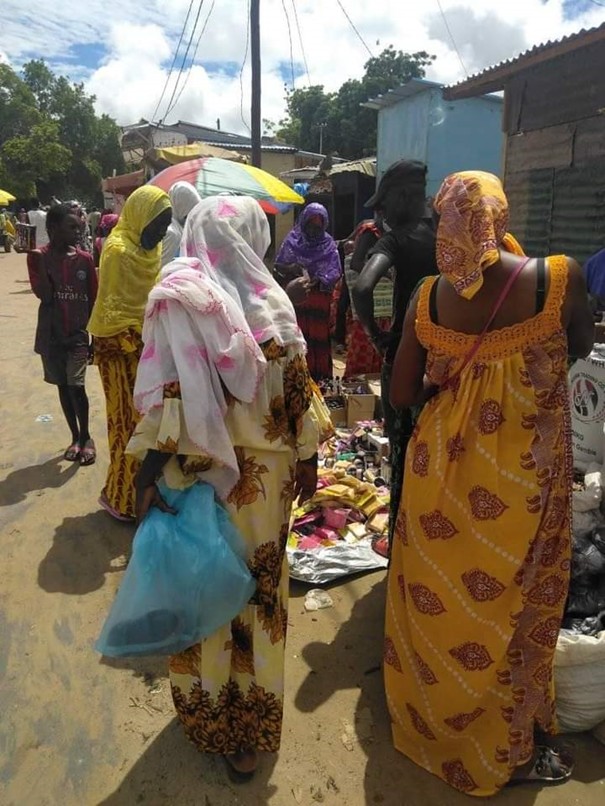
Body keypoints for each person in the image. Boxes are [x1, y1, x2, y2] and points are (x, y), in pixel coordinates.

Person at [385, 170, 594, 795]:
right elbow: (580, 345)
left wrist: (453, 390)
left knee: (441, 596)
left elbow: (400, 394)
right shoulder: (558, 278)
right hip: (522, 483)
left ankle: (432, 723)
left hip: (437, 475)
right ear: (498, 215)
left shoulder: (427, 297)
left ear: (446, 219)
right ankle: (510, 743)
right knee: (516, 601)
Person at [128, 196, 331, 777]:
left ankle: (208, 711)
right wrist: (305, 466)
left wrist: (142, 481)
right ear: (253, 238)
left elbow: (168, 405)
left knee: (200, 593)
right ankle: (249, 731)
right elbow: (302, 410)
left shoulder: (180, 302)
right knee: (255, 599)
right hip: (263, 491)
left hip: (192, 479)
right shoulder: (276, 307)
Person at [352, 160, 437, 545]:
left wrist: (375, 334)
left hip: (407, 359)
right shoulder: (451, 237)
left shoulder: (398, 240)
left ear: (403, 198)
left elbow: (363, 286)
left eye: (383, 205)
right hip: (450, 364)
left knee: (402, 448)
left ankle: (402, 541)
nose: (380, 215)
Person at [88, 185, 172, 521]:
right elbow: (113, 309)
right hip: (118, 349)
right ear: (140, 217)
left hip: (145, 347)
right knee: (126, 424)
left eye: (166, 225)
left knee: (148, 423)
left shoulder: (151, 249)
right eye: (158, 224)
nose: (162, 232)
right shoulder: (119, 250)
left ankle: (142, 490)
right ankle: (123, 496)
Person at [26, 204, 98, 464]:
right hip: (51, 336)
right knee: (63, 388)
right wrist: (42, 261)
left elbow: (93, 300)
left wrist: (95, 339)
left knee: (77, 387)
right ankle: (75, 437)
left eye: (79, 227)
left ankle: (87, 436)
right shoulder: (38, 257)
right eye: (71, 227)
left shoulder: (85, 260)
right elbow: (44, 295)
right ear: (53, 229)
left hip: (77, 336)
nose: (77, 232)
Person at [275, 203, 341, 380]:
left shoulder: (328, 244)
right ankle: (296, 377)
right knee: (297, 335)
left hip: (319, 300)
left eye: (318, 226)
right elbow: (279, 267)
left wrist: (321, 277)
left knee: (318, 339)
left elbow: (335, 270)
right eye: (310, 225)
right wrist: (291, 268)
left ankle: (319, 378)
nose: (313, 230)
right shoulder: (292, 240)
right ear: (303, 222)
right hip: (296, 299)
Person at [343, 215, 391, 377]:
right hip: (371, 312)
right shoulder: (372, 233)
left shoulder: (390, 234)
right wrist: (386, 274)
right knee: (366, 353)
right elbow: (356, 263)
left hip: (385, 312)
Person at [161, 181, 202, 267]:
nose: (191, 218)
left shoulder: (166, 225)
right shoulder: (172, 234)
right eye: (187, 215)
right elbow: (162, 271)